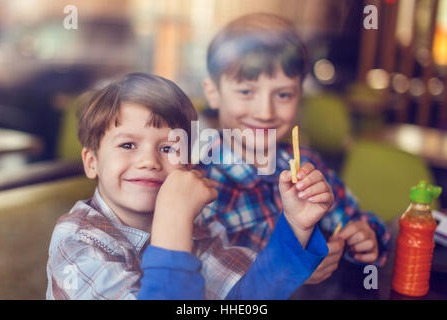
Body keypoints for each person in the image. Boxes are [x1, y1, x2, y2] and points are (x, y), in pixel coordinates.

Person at [46, 73, 332, 300]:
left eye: (169, 147)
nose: (149, 161)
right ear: (91, 161)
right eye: (128, 144)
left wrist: (296, 226)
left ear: (189, 162)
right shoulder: (76, 240)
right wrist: (173, 220)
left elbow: (245, 296)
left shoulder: (198, 222)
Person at [200, 13, 392, 285]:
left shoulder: (309, 165)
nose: (265, 112)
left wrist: (362, 237)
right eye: (246, 92)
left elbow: (358, 221)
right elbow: (203, 282)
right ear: (213, 93)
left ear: (299, 96)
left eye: (283, 95)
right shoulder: (197, 180)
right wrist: (289, 270)